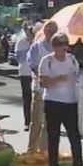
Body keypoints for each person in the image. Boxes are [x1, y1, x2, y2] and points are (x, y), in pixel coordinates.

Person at [37, 33, 83, 166]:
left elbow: (78, 75)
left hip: (70, 101)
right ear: (54, 46)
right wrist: (58, 79)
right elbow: (43, 83)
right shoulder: (46, 61)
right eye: (60, 45)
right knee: (53, 136)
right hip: (53, 101)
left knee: (75, 135)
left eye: (65, 44)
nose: (64, 48)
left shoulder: (72, 59)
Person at [24, 20, 58, 153]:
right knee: (36, 121)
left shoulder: (58, 47)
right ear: (44, 30)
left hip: (54, 90)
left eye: (53, 28)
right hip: (39, 88)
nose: (50, 30)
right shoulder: (37, 46)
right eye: (48, 28)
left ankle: (44, 149)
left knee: (49, 123)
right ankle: (31, 149)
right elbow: (32, 65)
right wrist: (44, 77)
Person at [14, 23, 36, 130]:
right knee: (27, 98)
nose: (30, 32)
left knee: (38, 98)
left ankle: (38, 121)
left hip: (37, 73)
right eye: (28, 30)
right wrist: (31, 47)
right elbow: (21, 58)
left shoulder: (38, 41)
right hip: (25, 72)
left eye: (32, 30)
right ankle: (27, 122)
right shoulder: (21, 42)